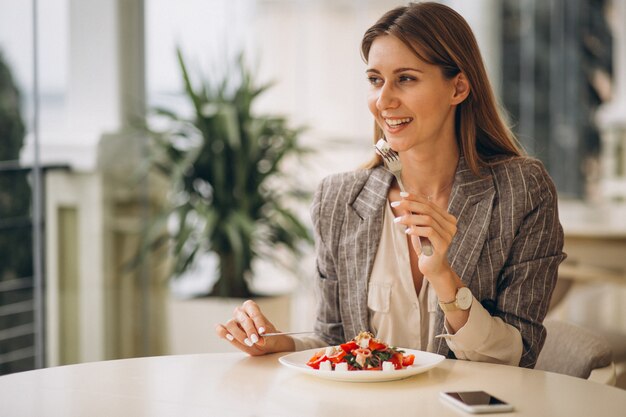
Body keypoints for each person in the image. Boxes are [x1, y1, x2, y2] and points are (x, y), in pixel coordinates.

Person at [215, 1, 566, 368]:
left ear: (459, 87)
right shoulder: (338, 198)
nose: (383, 100)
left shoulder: (522, 191)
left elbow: (518, 355)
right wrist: (281, 342)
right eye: (375, 80)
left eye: (406, 78)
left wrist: (445, 278)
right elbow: (337, 338)